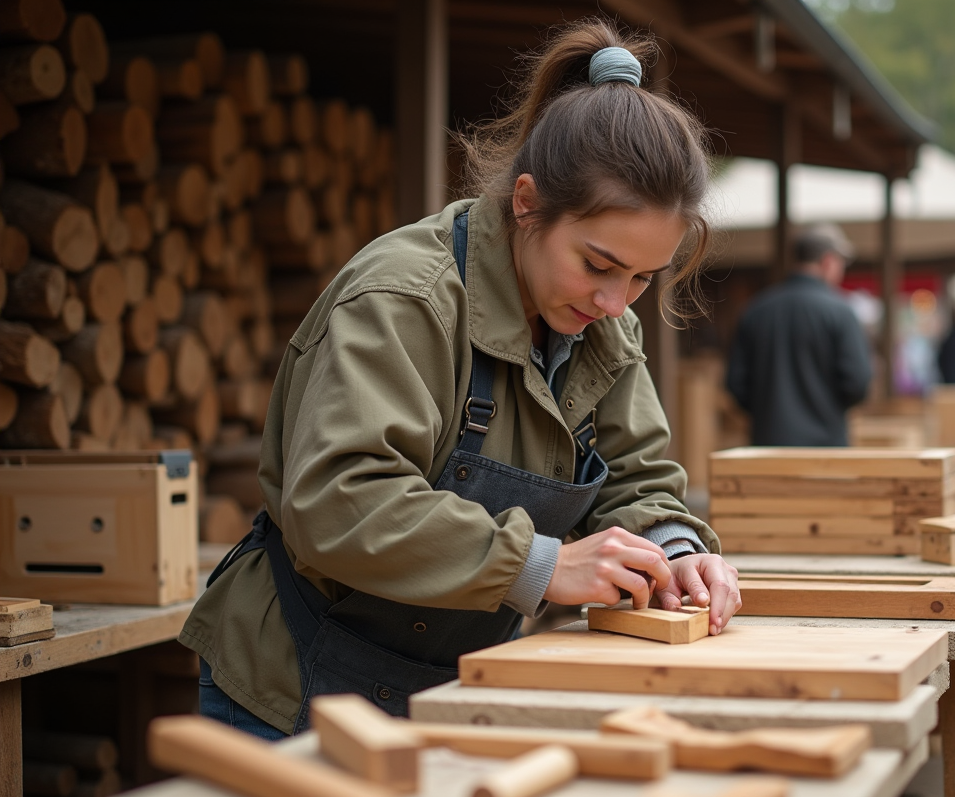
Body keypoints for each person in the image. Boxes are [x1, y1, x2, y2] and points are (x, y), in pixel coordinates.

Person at [180, 21, 742, 738]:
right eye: (599, 265)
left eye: (641, 277)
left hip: (462, 682)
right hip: (292, 688)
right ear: (528, 203)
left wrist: (674, 546)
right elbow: (340, 500)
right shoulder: (402, 300)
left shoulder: (604, 323)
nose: (614, 302)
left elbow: (635, 476)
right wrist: (543, 566)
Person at [725, 223, 872, 446]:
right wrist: (827, 409)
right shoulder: (840, 312)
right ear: (828, 262)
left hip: (767, 445)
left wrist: (768, 413)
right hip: (826, 448)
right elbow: (857, 383)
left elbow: (735, 383)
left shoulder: (755, 310)